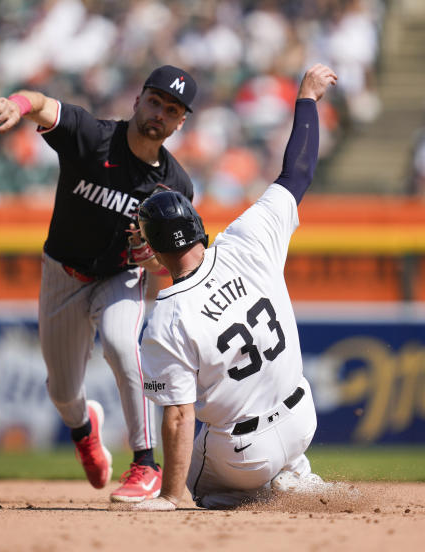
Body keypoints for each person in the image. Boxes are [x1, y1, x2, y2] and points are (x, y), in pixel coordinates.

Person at [132, 64, 341, 511]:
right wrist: (306, 97)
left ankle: (249, 493)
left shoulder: (167, 317)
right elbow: (297, 172)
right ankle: (296, 475)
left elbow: (179, 415)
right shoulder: (247, 241)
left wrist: (170, 496)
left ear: (154, 249)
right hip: (304, 418)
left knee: (199, 482)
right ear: (196, 226)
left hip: (246, 456)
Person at [0, 65, 197, 503]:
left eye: (172, 109)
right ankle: (85, 431)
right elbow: (42, 105)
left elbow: (167, 274)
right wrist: (16, 104)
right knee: (63, 392)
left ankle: (144, 464)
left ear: (180, 123)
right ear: (138, 101)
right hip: (62, 272)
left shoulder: (176, 186)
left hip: (120, 276)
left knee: (122, 345)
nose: (160, 112)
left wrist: (150, 261)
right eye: (155, 100)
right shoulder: (92, 136)